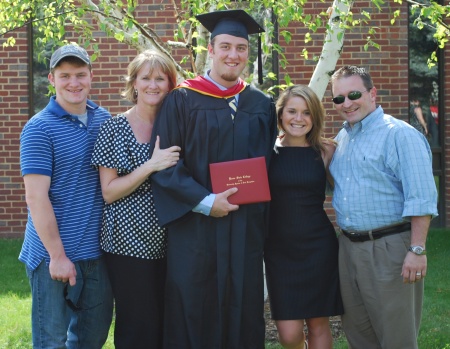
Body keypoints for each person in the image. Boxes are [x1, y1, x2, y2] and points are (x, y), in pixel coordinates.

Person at [149, 9, 277, 349]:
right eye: (225, 46)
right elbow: (165, 165)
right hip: (195, 231)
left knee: (244, 308)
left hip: (244, 230)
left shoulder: (260, 104)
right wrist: (207, 203)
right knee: (194, 306)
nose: (233, 55)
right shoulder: (182, 99)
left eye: (240, 48)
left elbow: (267, 166)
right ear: (211, 48)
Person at [329, 65, 438, 349]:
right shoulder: (342, 139)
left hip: (389, 248)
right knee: (359, 336)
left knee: (396, 339)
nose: (347, 103)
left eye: (353, 94)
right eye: (338, 99)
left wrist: (417, 250)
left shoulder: (399, 134)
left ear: (372, 93)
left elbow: (421, 197)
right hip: (348, 249)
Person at [19, 44, 113, 348]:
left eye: (80, 74)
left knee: (91, 340)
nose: (74, 82)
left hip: (96, 255)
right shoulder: (38, 129)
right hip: (51, 256)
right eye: (65, 76)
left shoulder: (105, 120)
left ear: (91, 76)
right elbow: (36, 198)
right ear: (52, 79)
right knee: (51, 341)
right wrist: (58, 257)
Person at [90, 50, 180, 348]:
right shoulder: (114, 128)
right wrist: (151, 166)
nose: (153, 85)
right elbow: (109, 191)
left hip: (173, 240)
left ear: (170, 84)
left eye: (160, 78)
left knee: (169, 322)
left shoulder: (176, 125)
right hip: (127, 242)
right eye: (146, 78)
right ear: (134, 84)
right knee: (138, 323)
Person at [264, 85, 343, 349]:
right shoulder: (265, 154)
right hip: (279, 251)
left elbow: (349, 191)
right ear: (281, 114)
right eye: (292, 111)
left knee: (319, 324)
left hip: (318, 247)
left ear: (315, 117)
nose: (299, 119)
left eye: (307, 113)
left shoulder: (326, 151)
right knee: (289, 334)